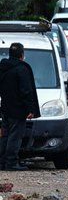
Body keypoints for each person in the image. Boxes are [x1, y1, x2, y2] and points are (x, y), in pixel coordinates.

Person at [0, 43, 40, 172]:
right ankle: (11, 162)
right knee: (15, 136)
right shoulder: (22, 69)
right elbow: (26, 91)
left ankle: (3, 161)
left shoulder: (3, 67)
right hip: (18, 109)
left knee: (5, 135)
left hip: (5, 107)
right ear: (22, 55)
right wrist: (30, 109)